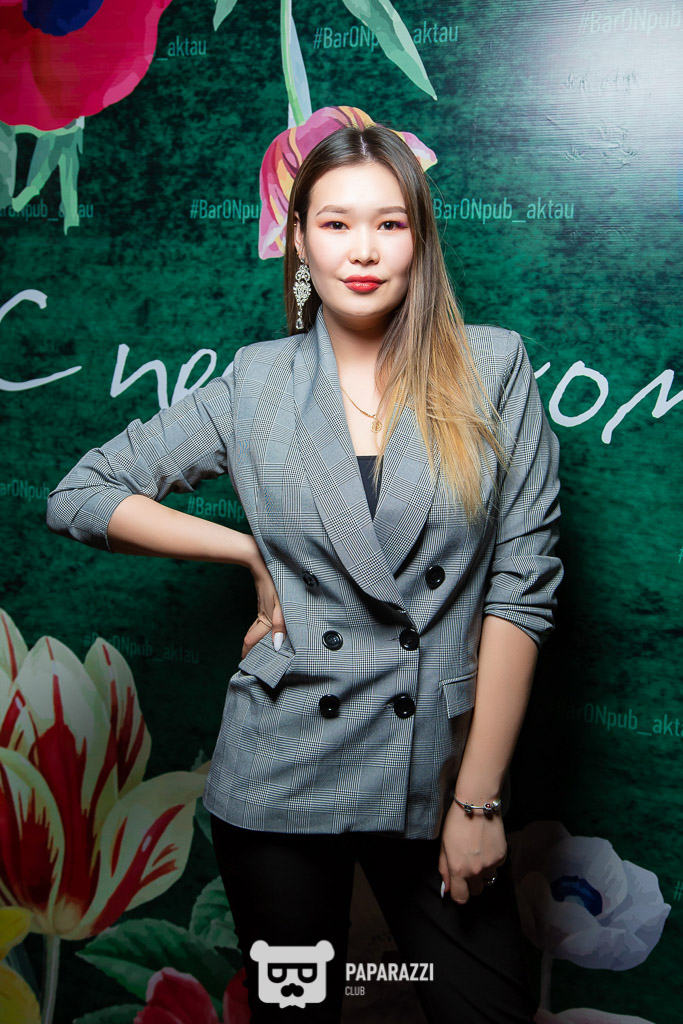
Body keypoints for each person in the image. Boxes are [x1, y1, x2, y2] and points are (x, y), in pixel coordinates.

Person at [47, 122, 562, 1023]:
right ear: (298, 239)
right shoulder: (256, 382)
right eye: (334, 224)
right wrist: (243, 550)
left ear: (420, 238)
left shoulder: (492, 365)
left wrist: (477, 802)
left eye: (389, 224)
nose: (362, 250)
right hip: (281, 773)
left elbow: (521, 586)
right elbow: (79, 496)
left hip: (437, 770)